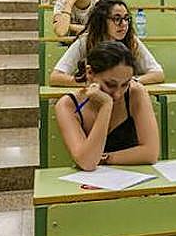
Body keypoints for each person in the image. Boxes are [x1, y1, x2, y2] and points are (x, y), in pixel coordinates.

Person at [53, 40, 160, 171]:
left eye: (125, 84)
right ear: (90, 73)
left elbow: (150, 154)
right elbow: (87, 162)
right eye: (110, 84)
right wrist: (106, 106)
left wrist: (104, 158)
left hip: (133, 174)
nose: (118, 94)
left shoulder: (136, 92)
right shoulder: (67, 105)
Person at [49, 0, 164, 86]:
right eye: (117, 19)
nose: (124, 24)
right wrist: (89, 82)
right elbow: (55, 77)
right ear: (102, 21)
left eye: (126, 18)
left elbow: (158, 74)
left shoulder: (131, 41)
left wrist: (130, 81)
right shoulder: (85, 41)